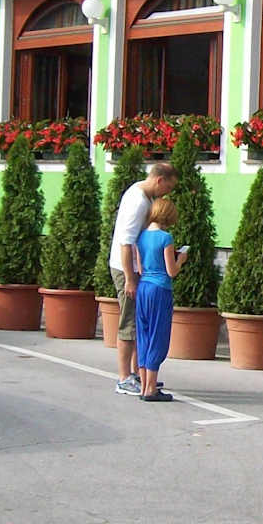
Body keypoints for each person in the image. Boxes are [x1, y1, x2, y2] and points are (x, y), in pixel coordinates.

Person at [107, 161, 177, 396]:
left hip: (138, 271)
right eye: (168, 187)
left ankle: (140, 375)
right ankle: (124, 378)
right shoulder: (138, 201)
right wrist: (129, 278)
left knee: (139, 324)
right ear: (159, 180)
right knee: (129, 323)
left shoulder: (142, 194)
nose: (167, 193)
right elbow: (126, 242)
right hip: (126, 268)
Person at [133, 196, 187, 402]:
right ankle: (151, 389)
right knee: (158, 335)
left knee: (144, 334)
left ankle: (143, 386)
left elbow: (141, 268)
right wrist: (180, 259)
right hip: (160, 289)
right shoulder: (166, 238)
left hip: (143, 288)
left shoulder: (141, 237)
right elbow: (171, 271)